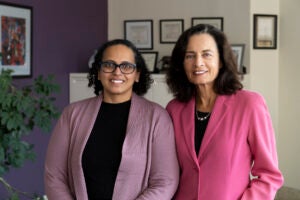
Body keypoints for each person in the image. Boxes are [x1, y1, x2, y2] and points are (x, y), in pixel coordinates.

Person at [44, 39, 179, 200]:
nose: (117, 72)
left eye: (127, 66)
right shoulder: (71, 114)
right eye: (109, 65)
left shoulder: (157, 117)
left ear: (137, 75)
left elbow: (165, 181)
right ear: (99, 72)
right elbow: (54, 176)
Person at [165, 24, 284, 200]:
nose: (198, 62)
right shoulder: (174, 109)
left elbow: (269, 176)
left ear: (220, 61)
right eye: (190, 56)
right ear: (182, 63)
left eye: (206, 54)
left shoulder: (249, 104)